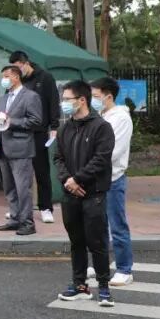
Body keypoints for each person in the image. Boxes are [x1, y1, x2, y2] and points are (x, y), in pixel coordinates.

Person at [54, 79, 116, 307]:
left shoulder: (101, 127)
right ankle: (79, 285)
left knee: (96, 241)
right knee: (76, 241)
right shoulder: (65, 128)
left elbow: (101, 159)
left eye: (67, 99)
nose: (63, 103)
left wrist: (78, 179)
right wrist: (67, 180)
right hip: (70, 194)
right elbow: (58, 158)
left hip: (93, 193)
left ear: (82, 100)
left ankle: (104, 287)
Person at [91, 77, 134, 286]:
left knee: (117, 225)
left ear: (108, 96)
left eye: (95, 96)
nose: (92, 99)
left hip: (112, 178)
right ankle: (101, 264)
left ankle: (125, 269)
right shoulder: (100, 115)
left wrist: (90, 161)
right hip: (95, 178)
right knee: (98, 226)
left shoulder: (121, 119)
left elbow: (113, 151)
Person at [9, 51, 61, 224]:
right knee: (19, 172)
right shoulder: (17, 81)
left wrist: (54, 126)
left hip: (39, 131)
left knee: (42, 170)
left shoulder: (45, 78)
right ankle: (19, 208)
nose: (16, 73)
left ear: (25, 63)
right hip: (20, 132)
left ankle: (45, 207)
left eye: (18, 68)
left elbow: (53, 102)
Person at [0, 65, 44, 236]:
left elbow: (36, 121)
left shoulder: (30, 96)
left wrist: (12, 121)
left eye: (6, 76)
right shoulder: (4, 97)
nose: (4, 80)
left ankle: (27, 222)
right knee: (9, 188)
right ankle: (15, 218)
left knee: (23, 188)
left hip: (21, 148)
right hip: (3, 147)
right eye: (3, 77)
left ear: (16, 77)